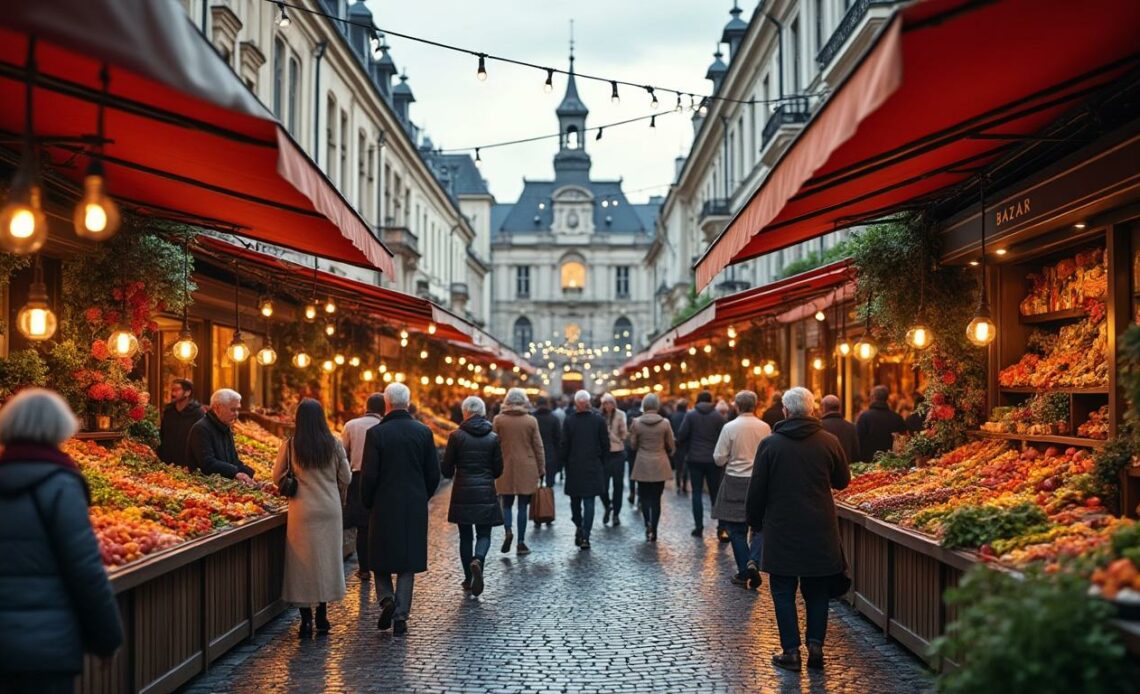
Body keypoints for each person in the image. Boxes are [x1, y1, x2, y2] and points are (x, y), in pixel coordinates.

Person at [0, 389, 124, 692]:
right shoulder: (60, 484)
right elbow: (85, 570)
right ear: (61, 428)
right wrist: (107, 639)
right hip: (47, 646)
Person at [746, 387, 851, 671]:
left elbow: (757, 490)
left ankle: (790, 651)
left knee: (782, 590)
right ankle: (815, 646)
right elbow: (843, 481)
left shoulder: (770, 445)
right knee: (817, 590)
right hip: (820, 527)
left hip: (782, 529)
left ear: (786, 411)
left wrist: (755, 523)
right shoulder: (829, 441)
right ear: (812, 409)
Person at [360, 383, 441, 636]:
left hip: (383, 504)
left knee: (379, 557)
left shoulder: (376, 434)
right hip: (413, 504)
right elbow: (433, 473)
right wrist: (422, 495)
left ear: (386, 403)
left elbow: (369, 475)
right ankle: (401, 616)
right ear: (408, 402)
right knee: (408, 560)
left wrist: (368, 500)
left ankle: (386, 599)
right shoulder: (423, 432)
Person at [274, 399, 351, 638]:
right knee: (326, 561)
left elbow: (277, 476)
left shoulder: (291, 445)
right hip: (329, 510)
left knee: (302, 564)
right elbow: (347, 478)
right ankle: (323, 615)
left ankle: (305, 620)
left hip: (302, 511)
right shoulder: (334, 444)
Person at [441, 396, 503, 596]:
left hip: (463, 491)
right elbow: (498, 470)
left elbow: (447, 469)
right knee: (484, 533)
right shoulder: (493, 437)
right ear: (483, 412)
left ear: (464, 412)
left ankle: (468, 578)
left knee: (465, 536)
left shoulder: (456, 436)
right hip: (485, 490)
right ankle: (478, 559)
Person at [712, 390, 771, 589]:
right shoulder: (765, 427)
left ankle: (745, 570)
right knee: (759, 525)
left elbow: (718, 457)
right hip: (758, 480)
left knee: (736, 530)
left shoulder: (729, 427)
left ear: (736, 406)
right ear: (755, 405)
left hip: (735, 481)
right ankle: (753, 560)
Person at [492, 388, 545, 555]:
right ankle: (521, 543)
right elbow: (538, 446)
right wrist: (542, 468)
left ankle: (508, 531)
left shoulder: (498, 420)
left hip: (504, 465)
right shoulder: (530, 421)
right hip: (527, 466)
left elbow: (492, 444)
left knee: (506, 503)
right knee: (522, 505)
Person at [341, 393, 385, 580]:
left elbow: (342, 454)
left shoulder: (351, 426)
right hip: (382, 480)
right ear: (384, 408)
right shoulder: (385, 426)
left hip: (357, 478)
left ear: (365, 406)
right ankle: (381, 567)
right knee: (381, 525)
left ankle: (364, 568)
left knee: (362, 526)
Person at [559, 389, 608, 550]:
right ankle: (586, 535)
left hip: (574, 467)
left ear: (576, 404)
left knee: (575, 500)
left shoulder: (569, 421)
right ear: (588, 403)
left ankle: (579, 525)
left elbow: (564, 445)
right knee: (589, 502)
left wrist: (563, 463)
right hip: (592, 466)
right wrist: (601, 461)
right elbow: (605, 444)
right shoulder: (599, 421)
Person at [676, 390, 726, 539]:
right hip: (713, 460)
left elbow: (682, 434)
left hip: (695, 459)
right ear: (711, 400)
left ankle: (698, 527)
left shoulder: (691, 415)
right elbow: (723, 436)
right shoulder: (718, 416)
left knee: (696, 492)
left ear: (697, 400)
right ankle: (721, 527)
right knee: (715, 493)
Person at [628, 393, 675, 542]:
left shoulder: (636, 423)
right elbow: (671, 444)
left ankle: (647, 523)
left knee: (644, 497)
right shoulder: (665, 423)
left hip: (642, 463)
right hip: (659, 463)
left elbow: (633, 445)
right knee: (656, 499)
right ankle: (654, 528)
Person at [187, 389, 255, 482]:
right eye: (233, 410)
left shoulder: (225, 427)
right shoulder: (201, 429)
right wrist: (236, 473)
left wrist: (251, 475)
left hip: (223, 484)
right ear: (218, 408)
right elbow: (208, 464)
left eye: (238, 410)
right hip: (204, 487)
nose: (236, 414)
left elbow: (234, 461)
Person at [158, 378, 203, 470]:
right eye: (172, 390)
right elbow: (162, 434)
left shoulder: (197, 412)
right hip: (168, 460)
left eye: (177, 390)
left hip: (188, 462)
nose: (173, 393)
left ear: (187, 392)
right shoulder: (168, 411)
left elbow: (201, 438)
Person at [856, 385, 907, 462]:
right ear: (887, 398)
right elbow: (903, 442)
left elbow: (858, 440)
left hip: (869, 463)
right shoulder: (897, 418)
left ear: (873, 397)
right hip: (892, 463)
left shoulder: (864, 417)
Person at [599, 394, 628, 526]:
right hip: (604, 455)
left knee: (618, 485)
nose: (608, 406)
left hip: (617, 453)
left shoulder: (620, 415)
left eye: (610, 403)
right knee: (602, 486)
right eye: (605, 403)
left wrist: (612, 434)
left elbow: (624, 434)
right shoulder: (599, 416)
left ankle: (616, 513)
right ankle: (608, 505)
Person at [533, 396, 562, 493]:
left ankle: (536, 505)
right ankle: (547, 504)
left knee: (535, 484)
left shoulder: (532, 418)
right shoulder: (554, 419)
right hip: (550, 454)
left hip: (534, 455)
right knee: (549, 485)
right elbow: (558, 439)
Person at [819, 395, 859, 466]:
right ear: (839, 408)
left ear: (824, 408)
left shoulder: (818, 426)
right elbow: (856, 453)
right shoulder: (851, 427)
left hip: (826, 470)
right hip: (847, 470)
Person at [623, 398, 642, 505]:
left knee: (631, 471)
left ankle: (632, 493)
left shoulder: (628, 414)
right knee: (640, 472)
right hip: (640, 447)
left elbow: (626, 431)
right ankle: (640, 495)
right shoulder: (642, 414)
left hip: (630, 446)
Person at [669, 400, 689, 494]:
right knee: (685, 465)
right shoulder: (688, 416)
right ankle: (684, 485)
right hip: (686, 444)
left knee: (678, 466)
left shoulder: (673, 416)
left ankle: (678, 485)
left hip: (676, 443)